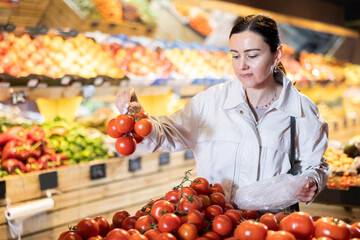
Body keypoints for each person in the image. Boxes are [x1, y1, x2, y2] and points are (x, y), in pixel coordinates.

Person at [115, 14, 328, 211]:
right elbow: (167, 133)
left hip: (271, 229)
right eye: (235, 56)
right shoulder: (211, 102)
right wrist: (139, 117)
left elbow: (315, 165)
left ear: (277, 55)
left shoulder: (301, 111)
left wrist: (312, 181)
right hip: (214, 224)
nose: (242, 65)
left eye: (252, 55)